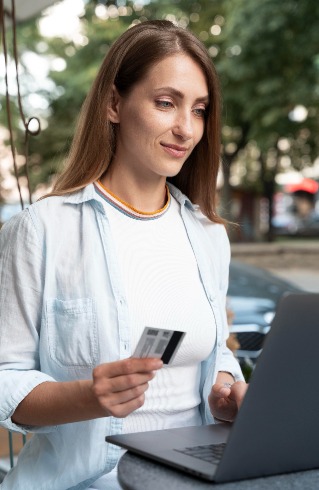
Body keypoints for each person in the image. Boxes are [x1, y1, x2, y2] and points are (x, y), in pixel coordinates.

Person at [0, 20, 247, 490]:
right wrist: (88, 397)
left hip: (192, 478)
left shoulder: (209, 235)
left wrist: (223, 392)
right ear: (114, 104)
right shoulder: (41, 229)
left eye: (199, 110)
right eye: (165, 103)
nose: (186, 129)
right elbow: (3, 379)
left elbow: (217, 358)